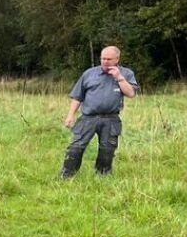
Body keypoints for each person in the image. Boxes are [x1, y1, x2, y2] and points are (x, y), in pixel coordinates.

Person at [59, 46, 138, 177]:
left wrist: (119, 77)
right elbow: (77, 96)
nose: (105, 61)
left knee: (107, 149)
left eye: (109, 59)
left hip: (111, 119)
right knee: (76, 146)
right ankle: (67, 175)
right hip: (88, 118)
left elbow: (131, 93)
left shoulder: (126, 73)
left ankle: (102, 176)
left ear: (117, 59)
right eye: (103, 58)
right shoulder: (89, 73)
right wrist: (70, 115)